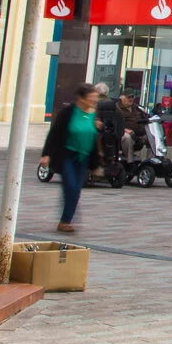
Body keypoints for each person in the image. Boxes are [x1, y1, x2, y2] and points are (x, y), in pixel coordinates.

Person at [41, 83, 100, 233]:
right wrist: (46, 154)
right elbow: (54, 133)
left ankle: (65, 221)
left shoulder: (93, 114)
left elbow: (93, 140)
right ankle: (66, 220)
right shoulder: (68, 112)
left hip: (83, 156)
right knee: (71, 186)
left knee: (76, 190)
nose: (94, 101)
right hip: (67, 154)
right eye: (91, 98)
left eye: (95, 98)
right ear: (81, 98)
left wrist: (96, 165)